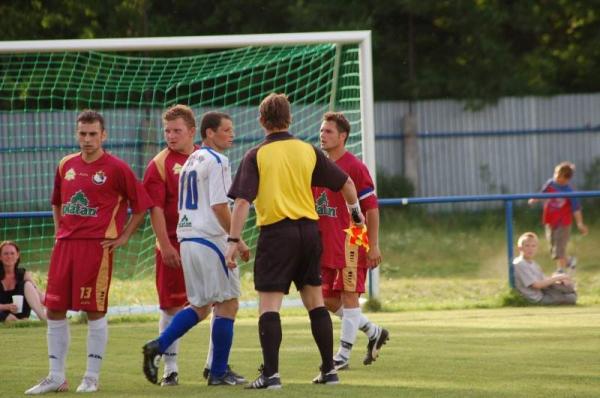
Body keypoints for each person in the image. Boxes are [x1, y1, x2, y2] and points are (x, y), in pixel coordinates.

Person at [225, 93, 364, 389]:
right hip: (310, 233)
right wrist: (355, 215)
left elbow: (241, 202)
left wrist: (233, 239)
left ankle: (271, 375)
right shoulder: (308, 151)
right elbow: (348, 184)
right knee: (315, 301)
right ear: (290, 119)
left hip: (277, 234)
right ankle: (329, 370)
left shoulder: (256, 154)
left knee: (269, 306)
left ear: (262, 121)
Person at [25, 110, 153, 395]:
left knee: (94, 310)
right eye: (82, 133)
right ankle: (56, 376)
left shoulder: (117, 168)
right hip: (65, 247)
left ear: (103, 135)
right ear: (76, 134)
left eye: (93, 134)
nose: (87, 139)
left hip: (96, 248)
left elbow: (141, 204)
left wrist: (123, 237)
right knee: (54, 309)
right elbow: (57, 202)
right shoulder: (65, 164)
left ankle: (91, 376)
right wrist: (59, 231)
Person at [142, 111, 249, 387]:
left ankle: (158, 344)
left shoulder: (191, 160)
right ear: (209, 133)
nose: (231, 134)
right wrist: (236, 239)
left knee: (200, 306)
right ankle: (218, 372)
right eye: (226, 129)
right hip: (209, 239)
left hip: (187, 239)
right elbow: (218, 206)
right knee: (228, 303)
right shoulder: (217, 160)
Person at [313, 112, 388, 371]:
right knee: (325, 300)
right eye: (322, 131)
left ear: (343, 136)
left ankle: (342, 357)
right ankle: (373, 330)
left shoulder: (355, 166)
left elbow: (371, 209)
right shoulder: (316, 165)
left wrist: (374, 244)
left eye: (329, 131)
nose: (322, 135)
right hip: (324, 244)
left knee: (348, 296)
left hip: (351, 241)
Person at [528, 161, 588, 274]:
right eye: (556, 175)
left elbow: (576, 209)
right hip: (550, 221)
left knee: (559, 248)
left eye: (560, 177)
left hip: (563, 223)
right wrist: (534, 199)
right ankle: (570, 261)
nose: (557, 178)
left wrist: (580, 223)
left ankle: (560, 270)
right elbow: (542, 193)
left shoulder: (569, 192)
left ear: (567, 180)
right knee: (553, 249)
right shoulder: (550, 184)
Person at [513, 232, 577, 305]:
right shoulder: (520, 264)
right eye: (527, 246)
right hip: (536, 298)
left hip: (543, 292)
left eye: (533, 246)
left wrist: (558, 279)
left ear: (536, 248)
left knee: (567, 288)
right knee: (572, 297)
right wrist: (558, 277)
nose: (530, 249)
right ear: (520, 248)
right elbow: (537, 285)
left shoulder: (533, 263)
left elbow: (543, 280)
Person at [0, 240, 47, 322]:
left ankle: (43, 319)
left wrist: (52, 302)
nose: (9, 256)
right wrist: (7, 306)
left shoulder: (23, 274)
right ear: (0, 257)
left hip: (20, 312)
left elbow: (38, 294)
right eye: (6, 253)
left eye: (12, 253)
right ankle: (17, 321)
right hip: (3, 312)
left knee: (28, 285)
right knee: (5, 316)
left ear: (17, 255)